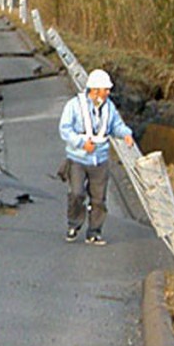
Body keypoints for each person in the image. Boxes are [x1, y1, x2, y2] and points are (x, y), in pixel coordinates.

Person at [58, 69, 135, 245]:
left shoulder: (109, 108)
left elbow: (116, 125)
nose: (108, 92)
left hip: (100, 160)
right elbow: (65, 129)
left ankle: (94, 232)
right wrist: (81, 143)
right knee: (76, 193)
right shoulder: (74, 106)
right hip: (78, 158)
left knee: (98, 198)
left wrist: (126, 134)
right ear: (95, 90)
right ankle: (74, 224)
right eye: (105, 89)